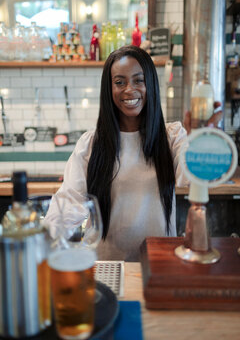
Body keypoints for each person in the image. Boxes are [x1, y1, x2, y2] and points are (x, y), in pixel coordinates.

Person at [44, 45, 221, 261]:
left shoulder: (172, 137)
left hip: (160, 265)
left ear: (151, 84)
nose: (130, 89)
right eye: (119, 82)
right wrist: (38, 245)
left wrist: (202, 142)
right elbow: (69, 203)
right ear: (109, 89)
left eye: (139, 80)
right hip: (105, 266)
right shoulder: (91, 143)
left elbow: (195, 178)